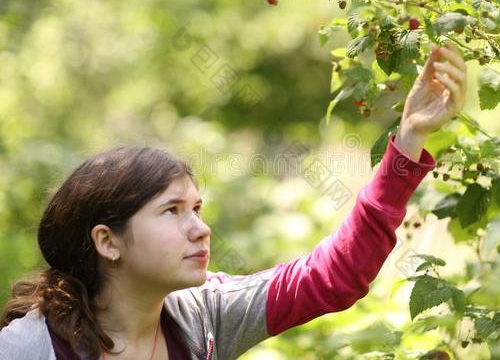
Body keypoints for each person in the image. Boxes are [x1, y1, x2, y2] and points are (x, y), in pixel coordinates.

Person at [0, 42, 467, 360]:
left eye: (196, 210)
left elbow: (334, 277)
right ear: (108, 241)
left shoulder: (205, 315)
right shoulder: (28, 349)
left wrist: (408, 139)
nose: (200, 229)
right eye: (172, 211)